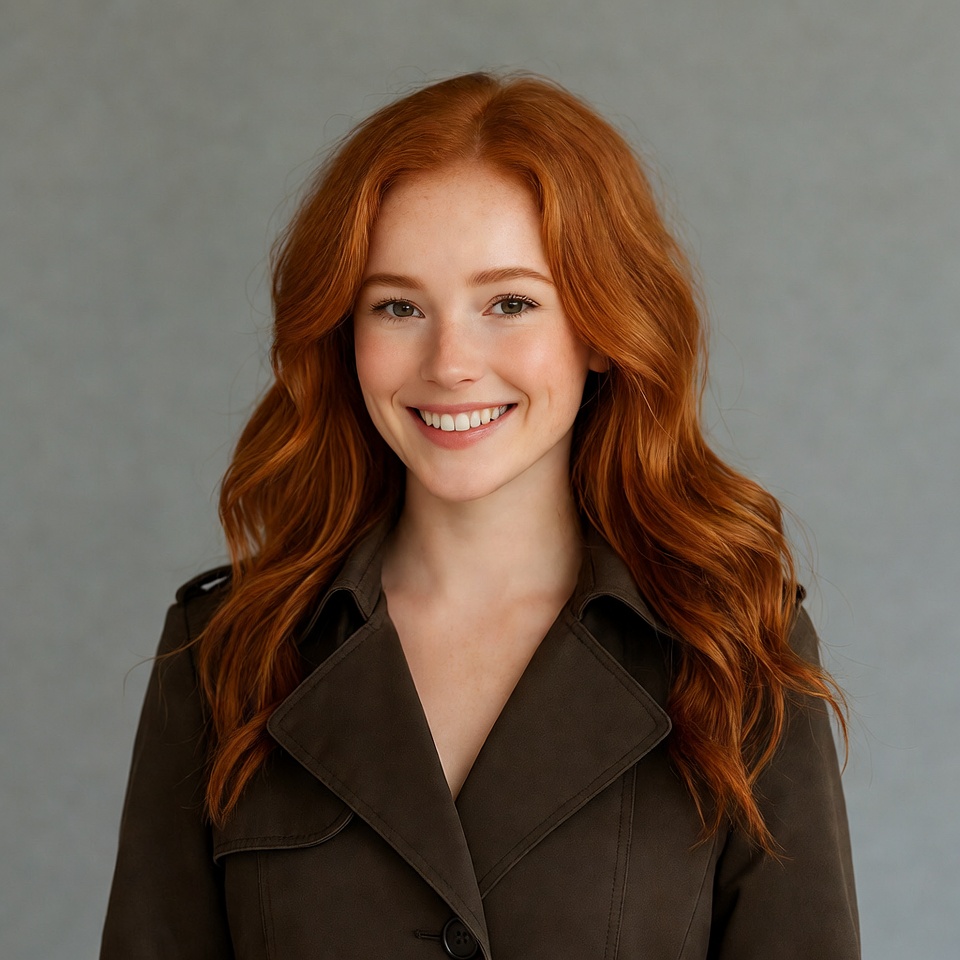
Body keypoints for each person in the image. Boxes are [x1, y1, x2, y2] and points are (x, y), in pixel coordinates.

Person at [101, 72, 859, 959]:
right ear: (344, 336)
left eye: (510, 304)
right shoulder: (226, 652)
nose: (451, 362)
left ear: (603, 329)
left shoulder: (732, 644)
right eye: (398, 306)